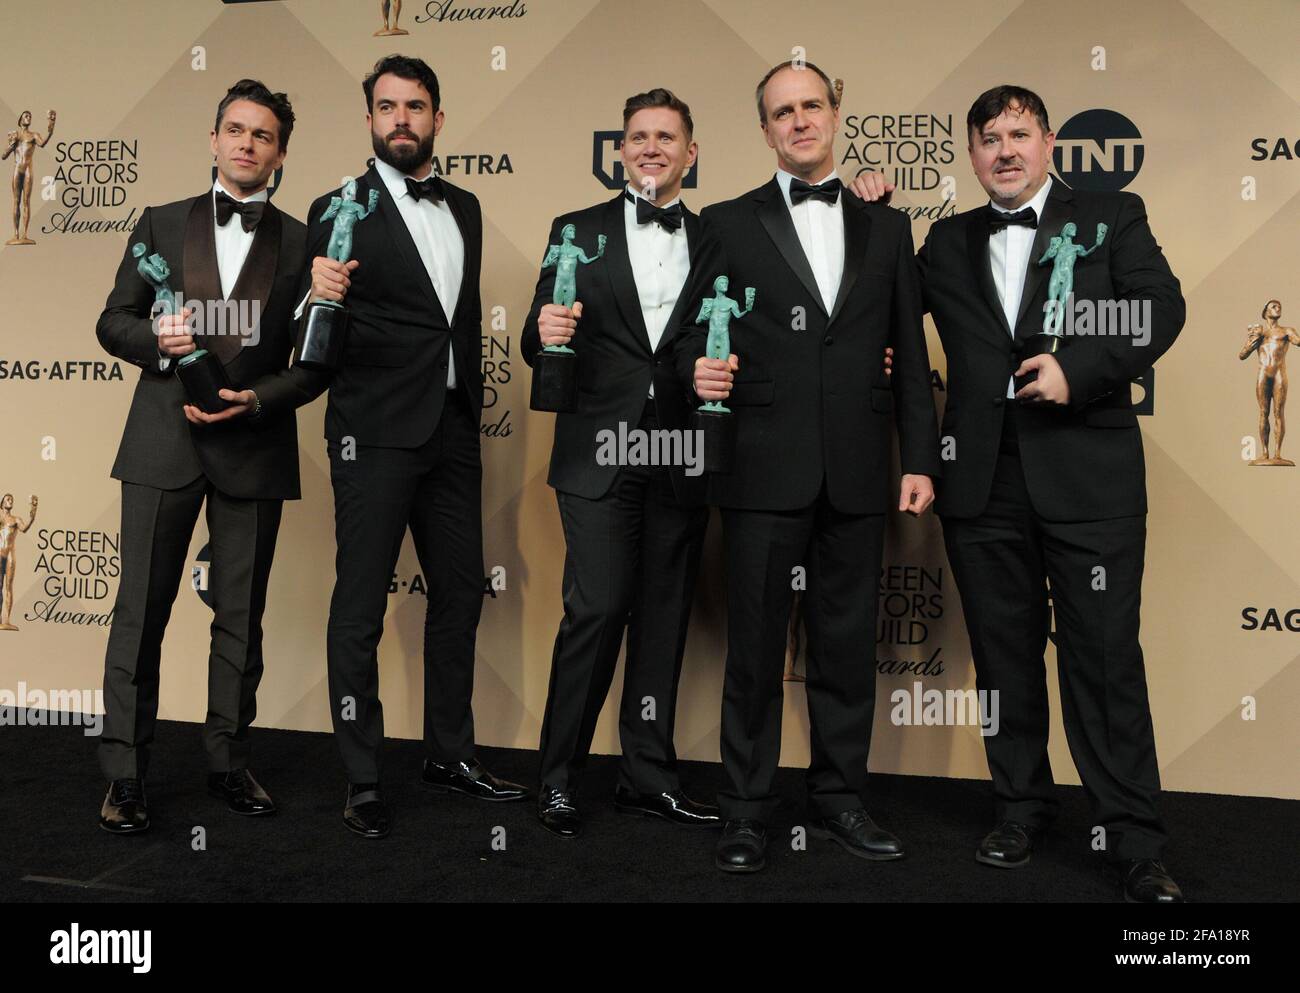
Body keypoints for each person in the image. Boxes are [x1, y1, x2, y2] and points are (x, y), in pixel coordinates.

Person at [850, 84, 1186, 902]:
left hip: (1088, 478)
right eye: (989, 137)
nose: (1005, 149)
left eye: (1020, 133)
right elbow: (876, 302)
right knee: (1003, 662)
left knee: (1104, 662)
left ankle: (1132, 838)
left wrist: (1080, 366)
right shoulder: (945, 238)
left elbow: (1159, 310)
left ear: (1048, 143)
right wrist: (867, 212)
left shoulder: (1113, 214)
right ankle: (1020, 806)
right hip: (981, 483)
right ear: (971, 154)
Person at [675, 61, 940, 873]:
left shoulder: (888, 226)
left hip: (861, 467)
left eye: (811, 106)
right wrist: (696, 367)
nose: (798, 121)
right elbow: (688, 331)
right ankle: (747, 808)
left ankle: (840, 799)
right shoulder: (722, 220)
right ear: (764, 130)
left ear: (836, 112)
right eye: (781, 112)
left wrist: (921, 459)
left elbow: (911, 346)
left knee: (846, 645)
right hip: (759, 466)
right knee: (754, 650)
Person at [305, 55, 526, 839]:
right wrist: (314, 290)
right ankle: (363, 777)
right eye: (388, 106)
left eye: (417, 106)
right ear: (369, 118)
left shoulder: (464, 206)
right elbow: (318, 326)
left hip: (453, 430)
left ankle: (449, 753)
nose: (403, 118)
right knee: (360, 607)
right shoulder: (337, 207)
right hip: (372, 434)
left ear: (439, 117)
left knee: (461, 592)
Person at [95, 79, 322, 833]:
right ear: (213, 139)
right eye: (235, 129)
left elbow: (315, 363)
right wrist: (156, 346)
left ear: (280, 152)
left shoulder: (302, 241)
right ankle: (125, 777)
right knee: (140, 615)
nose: (246, 142)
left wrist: (257, 399)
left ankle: (228, 762)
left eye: (262, 134)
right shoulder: (158, 222)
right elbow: (111, 321)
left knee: (240, 619)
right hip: (162, 445)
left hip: (253, 447)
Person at [521, 88, 718, 838]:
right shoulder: (574, 230)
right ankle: (559, 776)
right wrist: (543, 327)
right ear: (621, 150)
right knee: (598, 607)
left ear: (689, 153)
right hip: (599, 447)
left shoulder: (714, 238)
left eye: (667, 136)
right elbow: (541, 344)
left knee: (663, 617)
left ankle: (647, 776)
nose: (651, 147)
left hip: (679, 447)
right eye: (639, 135)